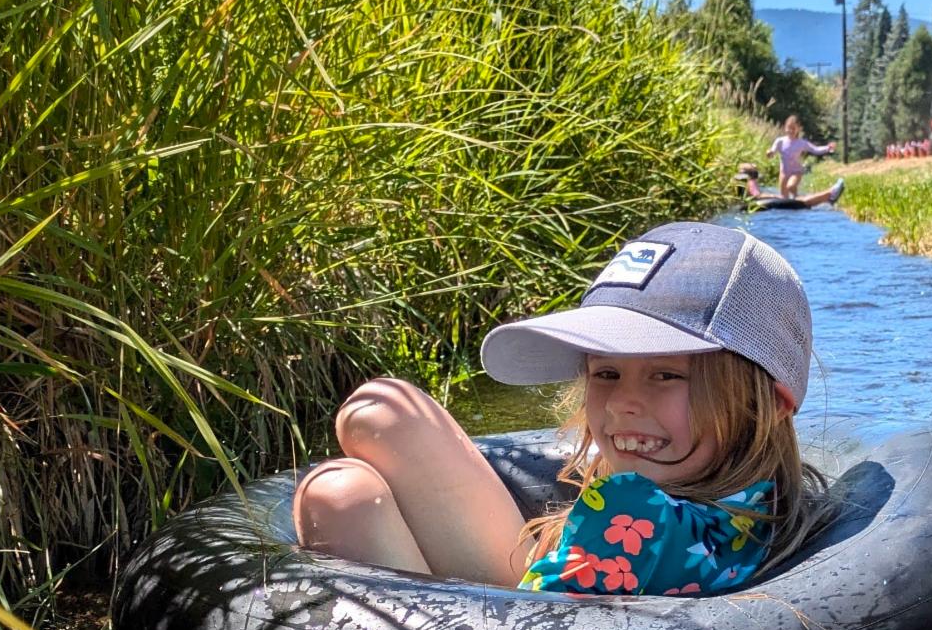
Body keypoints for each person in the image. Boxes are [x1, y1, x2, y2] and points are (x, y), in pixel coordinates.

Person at [293, 222, 835, 596]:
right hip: (560, 594)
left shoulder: (633, 514)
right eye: (606, 372)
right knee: (381, 414)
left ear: (767, 403)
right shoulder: (764, 506)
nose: (621, 403)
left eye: (666, 374)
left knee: (342, 492)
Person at [765, 115, 835, 198]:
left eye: (793, 128)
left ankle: (797, 198)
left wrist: (827, 148)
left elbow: (815, 149)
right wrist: (769, 153)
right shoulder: (780, 141)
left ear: (798, 129)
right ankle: (793, 201)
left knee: (790, 186)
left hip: (796, 172)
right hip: (784, 172)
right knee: (784, 197)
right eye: (789, 128)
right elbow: (773, 151)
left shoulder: (801, 143)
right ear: (785, 128)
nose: (791, 130)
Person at [735, 162, 844, 208]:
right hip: (764, 205)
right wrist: (774, 196)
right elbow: (756, 196)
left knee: (799, 200)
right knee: (802, 201)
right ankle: (830, 195)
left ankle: (828, 196)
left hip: (758, 206)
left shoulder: (740, 181)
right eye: (755, 171)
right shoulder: (750, 181)